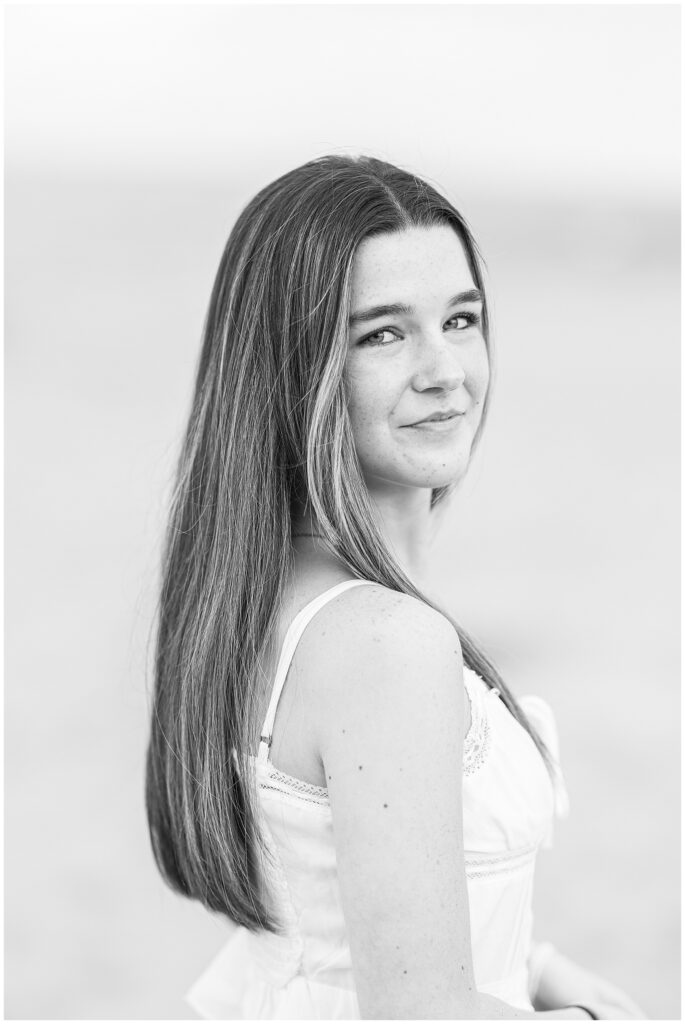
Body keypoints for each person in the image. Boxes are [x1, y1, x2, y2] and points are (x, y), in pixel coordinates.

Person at [145, 155, 646, 1020]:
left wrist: (529, 966)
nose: (444, 369)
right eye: (382, 333)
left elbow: (334, 898)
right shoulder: (383, 643)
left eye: (460, 319)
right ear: (293, 368)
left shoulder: (257, 595)